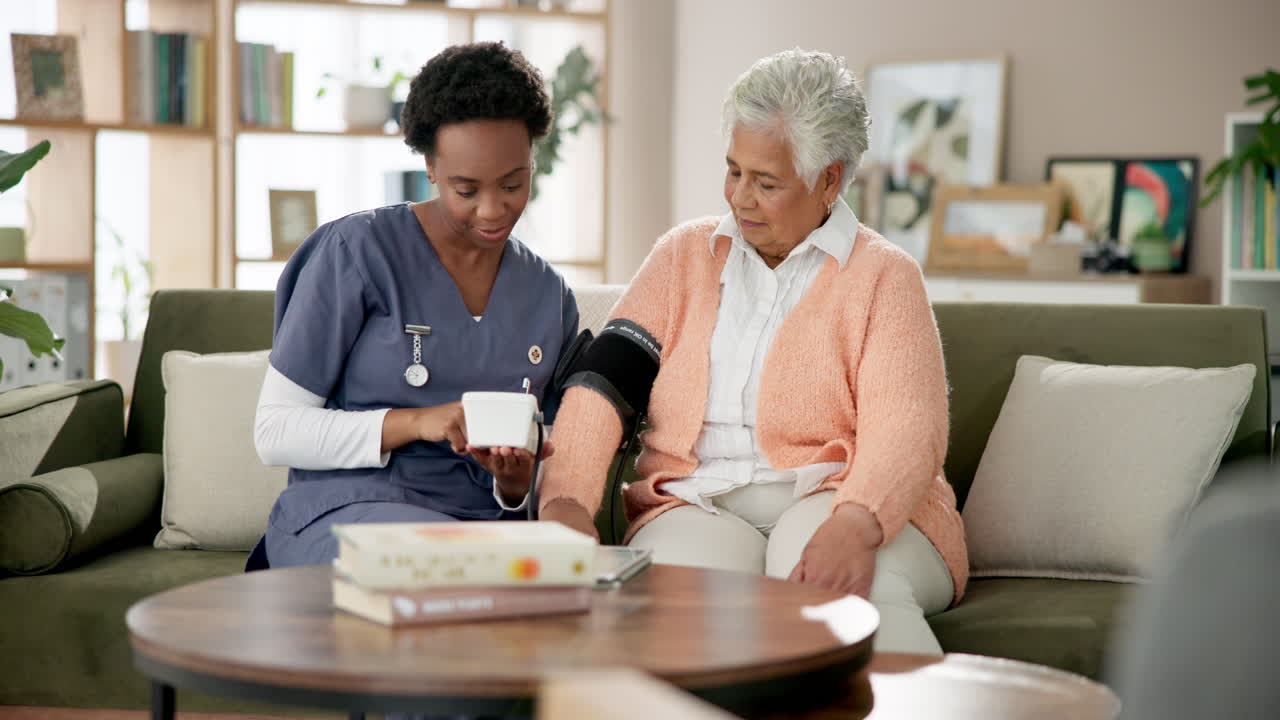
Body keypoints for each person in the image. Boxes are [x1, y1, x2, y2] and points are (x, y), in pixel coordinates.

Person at [539, 49, 966, 654]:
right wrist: (566, 499)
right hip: (700, 501)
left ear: (830, 179)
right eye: (734, 171)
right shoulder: (683, 256)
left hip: (838, 496)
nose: (740, 198)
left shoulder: (884, 277)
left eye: (766, 183)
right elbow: (604, 383)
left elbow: (907, 423)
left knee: (838, 595)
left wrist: (857, 520)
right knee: (668, 615)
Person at [247, 42, 577, 570]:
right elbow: (275, 430)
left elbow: (545, 463)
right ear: (429, 166)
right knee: (443, 577)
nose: (492, 210)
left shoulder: (548, 295)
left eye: (513, 184)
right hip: (353, 513)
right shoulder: (357, 252)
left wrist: (515, 485)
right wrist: (419, 422)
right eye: (465, 189)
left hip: (481, 531)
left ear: (533, 161)